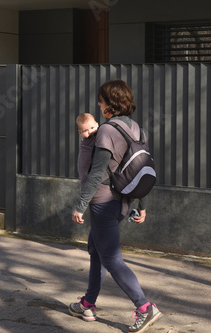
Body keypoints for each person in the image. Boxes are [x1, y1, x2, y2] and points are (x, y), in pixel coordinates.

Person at [69, 79, 161, 333]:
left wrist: (80, 204)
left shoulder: (108, 131)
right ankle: (88, 303)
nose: (98, 105)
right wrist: (142, 204)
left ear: (109, 104)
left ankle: (144, 307)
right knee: (96, 249)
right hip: (123, 201)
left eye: (100, 101)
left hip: (103, 201)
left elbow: (97, 172)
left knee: (110, 257)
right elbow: (143, 167)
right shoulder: (138, 129)